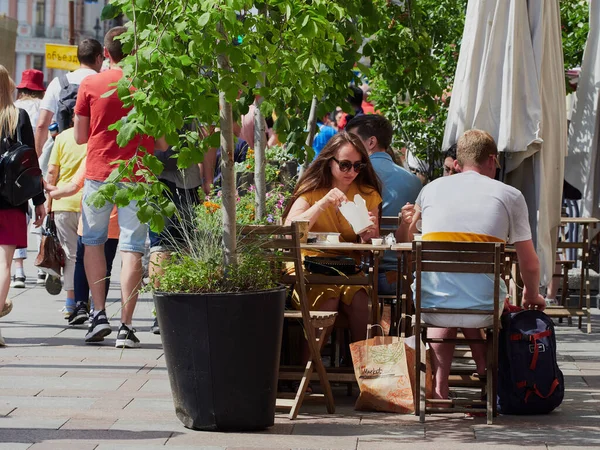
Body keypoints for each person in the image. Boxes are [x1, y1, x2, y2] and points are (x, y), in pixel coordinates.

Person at [408, 129, 546, 399]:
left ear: (458, 162)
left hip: (430, 302)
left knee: (449, 291)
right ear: (492, 160)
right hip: (484, 307)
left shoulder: (430, 189)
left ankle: (439, 388)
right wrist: (532, 293)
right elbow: (528, 262)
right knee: (474, 290)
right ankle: (490, 376)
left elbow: (410, 235)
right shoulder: (510, 195)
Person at [74, 27, 166, 348]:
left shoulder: (90, 83)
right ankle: (126, 326)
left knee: (94, 241)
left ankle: (98, 314)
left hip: (99, 171)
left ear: (107, 54)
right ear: (134, 51)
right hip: (138, 174)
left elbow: (80, 137)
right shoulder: (148, 86)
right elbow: (164, 140)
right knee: (131, 246)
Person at [283, 131, 382, 343]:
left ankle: (362, 369)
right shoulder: (313, 190)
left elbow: (373, 244)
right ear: (330, 162)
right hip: (309, 265)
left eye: (358, 166)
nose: (352, 171)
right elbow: (289, 229)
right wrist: (322, 203)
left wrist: (369, 236)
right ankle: (309, 372)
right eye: (345, 165)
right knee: (327, 299)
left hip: (347, 267)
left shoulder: (367, 194)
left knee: (361, 302)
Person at [346, 114, 422, 294]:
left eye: (352, 140)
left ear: (371, 142)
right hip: (404, 274)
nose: (347, 146)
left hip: (361, 272)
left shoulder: (352, 176)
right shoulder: (414, 181)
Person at [0, 65, 46, 345]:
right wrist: (39, 201)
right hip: (10, 201)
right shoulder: (18, 117)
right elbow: (31, 164)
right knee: (4, 263)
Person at [46, 159, 119, 327]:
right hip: (112, 225)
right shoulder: (126, 155)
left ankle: (80, 306)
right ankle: (96, 308)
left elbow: (73, 187)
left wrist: (51, 194)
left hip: (89, 221)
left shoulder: (95, 155)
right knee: (105, 267)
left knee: (80, 262)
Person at [35, 39, 103, 156]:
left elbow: (42, 124)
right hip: (94, 152)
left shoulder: (59, 82)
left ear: (78, 58)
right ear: (98, 58)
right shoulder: (103, 82)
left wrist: (39, 156)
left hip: (63, 153)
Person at [10, 69, 45, 288]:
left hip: (18, 169)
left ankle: (20, 271)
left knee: (21, 216)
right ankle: (43, 266)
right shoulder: (43, 107)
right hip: (42, 163)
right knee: (44, 216)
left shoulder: (14, 109)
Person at [46, 125, 87, 315]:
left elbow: (52, 173)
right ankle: (92, 302)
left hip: (63, 202)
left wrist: (48, 202)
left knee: (71, 255)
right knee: (93, 255)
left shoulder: (62, 137)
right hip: (90, 201)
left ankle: (71, 301)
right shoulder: (96, 135)